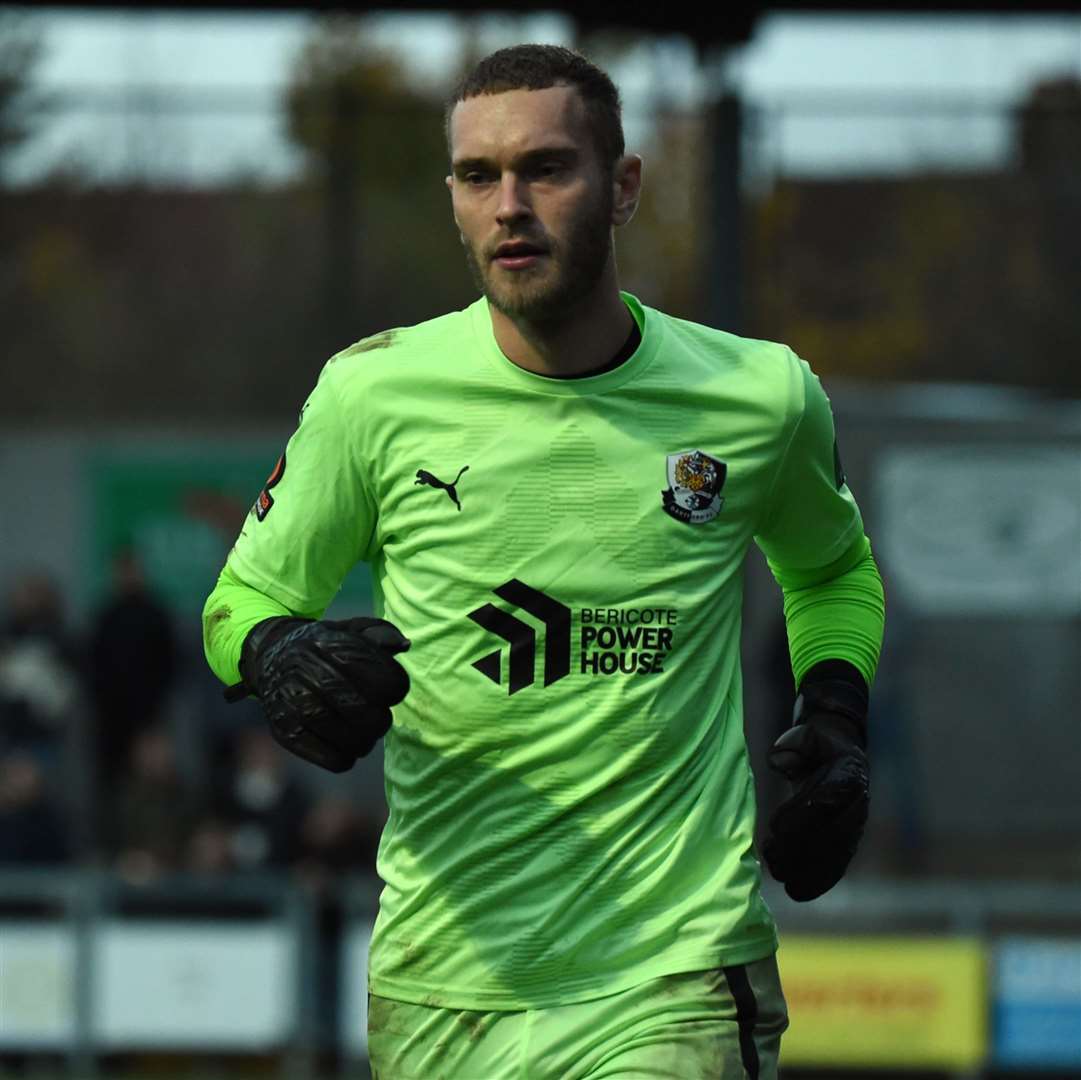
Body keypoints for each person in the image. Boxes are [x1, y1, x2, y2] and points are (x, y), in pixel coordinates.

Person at [202, 44, 884, 1079]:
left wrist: (833, 713)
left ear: (621, 188)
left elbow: (830, 569)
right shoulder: (372, 394)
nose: (508, 204)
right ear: (453, 197)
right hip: (439, 984)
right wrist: (277, 654)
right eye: (479, 176)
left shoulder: (762, 396)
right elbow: (239, 599)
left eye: (545, 168)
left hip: (672, 974)